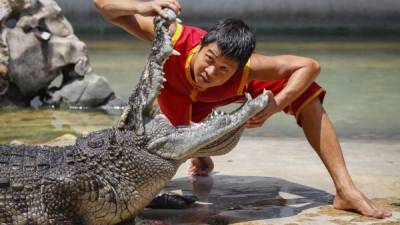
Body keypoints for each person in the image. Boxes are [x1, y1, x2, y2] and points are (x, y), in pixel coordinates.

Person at [94, 0, 391, 219]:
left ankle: (345, 189)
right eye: (209, 58)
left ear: (238, 69)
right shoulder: (175, 39)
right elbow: (104, 6)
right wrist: (142, 6)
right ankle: (201, 153)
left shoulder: (247, 69)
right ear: (201, 47)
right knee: (158, 156)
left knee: (308, 96)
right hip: (173, 103)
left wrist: (278, 103)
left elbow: (310, 66)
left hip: (210, 104)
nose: (211, 71)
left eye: (224, 69)